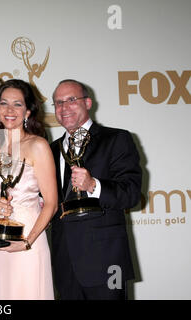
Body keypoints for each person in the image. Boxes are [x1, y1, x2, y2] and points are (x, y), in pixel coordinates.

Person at [49, 79, 142, 300]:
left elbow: (131, 194)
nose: (64, 108)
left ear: (88, 102)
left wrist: (93, 185)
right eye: (58, 103)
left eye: (71, 100)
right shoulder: (50, 150)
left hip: (108, 261)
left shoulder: (116, 139)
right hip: (65, 263)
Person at [0, 79, 57, 300]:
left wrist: (27, 242)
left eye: (18, 104)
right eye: (4, 103)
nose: (10, 110)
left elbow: (51, 203)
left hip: (27, 241)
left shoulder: (38, 145)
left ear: (28, 111)